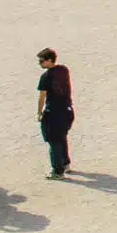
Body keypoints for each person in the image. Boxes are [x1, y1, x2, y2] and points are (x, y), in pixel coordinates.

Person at [36, 48, 73, 179]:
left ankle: (58, 171)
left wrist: (39, 113)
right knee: (62, 138)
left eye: (42, 61)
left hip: (53, 113)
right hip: (67, 110)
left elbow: (42, 97)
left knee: (54, 142)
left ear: (49, 60)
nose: (40, 64)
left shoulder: (45, 77)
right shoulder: (64, 70)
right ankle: (65, 163)